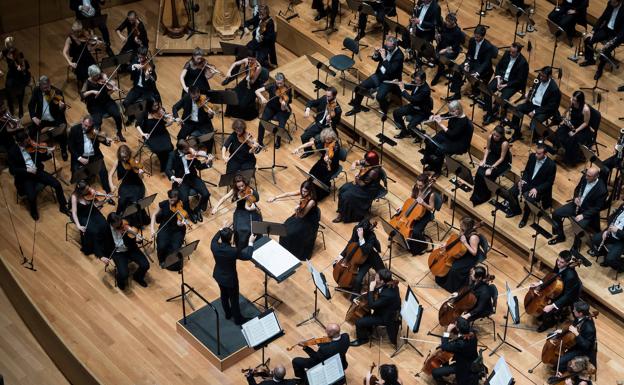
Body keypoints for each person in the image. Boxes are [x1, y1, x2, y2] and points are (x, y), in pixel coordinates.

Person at [7, 131, 69, 221]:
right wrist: (27, 170)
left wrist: (48, 152)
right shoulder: (12, 152)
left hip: (38, 171)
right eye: (26, 141)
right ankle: (33, 212)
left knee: (57, 184)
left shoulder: (32, 145)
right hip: (26, 177)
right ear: (19, 142)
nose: (29, 142)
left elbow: (41, 158)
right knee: (31, 196)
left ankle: (63, 206)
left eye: (29, 139)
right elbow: (12, 170)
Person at [345, 36, 404, 116]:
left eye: (389, 47)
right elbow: (376, 59)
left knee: (379, 97)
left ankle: (385, 109)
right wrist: (376, 54)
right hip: (379, 75)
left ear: (394, 45)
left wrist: (384, 58)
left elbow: (391, 70)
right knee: (360, 87)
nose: (387, 48)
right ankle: (357, 107)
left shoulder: (399, 56)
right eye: (386, 46)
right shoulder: (386, 46)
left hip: (390, 80)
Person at [549, 166, 607, 245]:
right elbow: (577, 189)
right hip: (576, 205)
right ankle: (560, 236)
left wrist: (583, 215)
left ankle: (575, 247)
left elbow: (597, 208)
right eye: (586, 174)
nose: (586, 177)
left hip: (587, 211)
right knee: (556, 213)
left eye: (589, 176)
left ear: (596, 176)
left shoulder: (602, 190)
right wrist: (576, 197)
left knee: (579, 227)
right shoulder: (584, 177)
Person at [211, 225, 255, 325]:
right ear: (231, 239)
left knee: (223, 295)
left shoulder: (214, 246)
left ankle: (228, 314)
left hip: (219, 276)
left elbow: (215, 238)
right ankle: (238, 319)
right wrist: (250, 242)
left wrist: (221, 229)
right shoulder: (233, 251)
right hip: (230, 280)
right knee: (234, 299)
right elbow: (248, 256)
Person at [505, 143, 557, 228]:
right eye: (536, 152)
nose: (536, 155)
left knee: (529, 199)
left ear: (545, 154)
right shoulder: (532, 156)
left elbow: (549, 183)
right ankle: (516, 210)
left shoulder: (551, 165)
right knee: (512, 191)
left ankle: (524, 219)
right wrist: (523, 180)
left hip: (538, 188)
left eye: (539, 154)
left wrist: (537, 189)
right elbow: (527, 171)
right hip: (528, 182)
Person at [269, 180, 321, 261]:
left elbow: (302, 215)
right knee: (284, 228)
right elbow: (288, 193)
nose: (303, 193)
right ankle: (284, 248)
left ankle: (292, 251)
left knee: (291, 233)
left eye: (305, 191)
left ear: (310, 191)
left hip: (309, 220)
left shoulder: (311, 201)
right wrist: (275, 197)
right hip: (300, 215)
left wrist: (296, 209)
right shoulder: (303, 193)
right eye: (302, 190)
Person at [531, 251, 582, 332]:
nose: (558, 263)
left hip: (569, 294)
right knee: (544, 298)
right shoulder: (558, 263)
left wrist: (552, 305)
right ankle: (543, 313)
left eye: (561, 262)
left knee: (550, 309)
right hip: (558, 287)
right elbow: (552, 274)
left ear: (568, 262)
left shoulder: (571, 276)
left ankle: (548, 323)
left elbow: (567, 296)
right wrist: (540, 283)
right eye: (558, 260)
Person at [165, 140, 213, 223]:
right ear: (181, 149)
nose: (189, 150)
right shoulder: (172, 155)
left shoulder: (191, 152)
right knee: (185, 199)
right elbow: (167, 169)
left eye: (188, 147)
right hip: (182, 180)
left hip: (193, 177)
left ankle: (197, 210)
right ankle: (190, 213)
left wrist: (208, 162)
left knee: (206, 194)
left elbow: (198, 166)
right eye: (186, 149)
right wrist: (175, 178)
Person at [350, 269, 401, 346]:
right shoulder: (391, 283)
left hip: (385, 317)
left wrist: (371, 290)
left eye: (377, 278)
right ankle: (369, 328)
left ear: (382, 281)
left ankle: (363, 340)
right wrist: (367, 294)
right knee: (365, 312)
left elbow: (372, 305)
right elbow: (380, 291)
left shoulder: (388, 294)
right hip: (385, 309)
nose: (375, 279)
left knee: (358, 322)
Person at [510, 66, 561, 143]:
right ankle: (516, 133)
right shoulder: (539, 78)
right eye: (540, 75)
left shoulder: (554, 89)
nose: (541, 77)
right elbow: (534, 88)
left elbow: (551, 107)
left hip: (543, 109)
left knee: (534, 123)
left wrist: (535, 112)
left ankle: (535, 137)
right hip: (533, 103)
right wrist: (529, 94)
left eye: (543, 76)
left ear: (549, 76)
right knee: (517, 109)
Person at [421, 101, 474, 174]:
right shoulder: (453, 113)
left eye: (452, 111)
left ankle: (437, 169)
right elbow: (446, 115)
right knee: (430, 142)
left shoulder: (463, 121)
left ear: (458, 110)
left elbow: (453, 134)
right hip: (448, 135)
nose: (450, 113)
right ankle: (428, 161)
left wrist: (440, 124)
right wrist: (437, 116)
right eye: (450, 111)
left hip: (458, 142)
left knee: (440, 149)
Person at [483, 42, 529, 125]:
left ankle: (491, 115)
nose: (510, 53)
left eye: (513, 52)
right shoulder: (507, 53)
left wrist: (505, 85)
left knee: (500, 99)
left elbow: (519, 80)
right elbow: (498, 66)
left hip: (512, 84)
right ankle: (490, 112)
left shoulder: (523, 63)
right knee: (487, 90)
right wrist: (498, 78)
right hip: (501, 79)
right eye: (510, 51)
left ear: (518, 52)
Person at [211, 174, 262, 250]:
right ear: (235, 186)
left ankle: (254, 241)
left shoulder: (249, 189)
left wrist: (251, 206)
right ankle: (241, 245)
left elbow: (255, 200)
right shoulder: (234, 190)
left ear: (245, 183)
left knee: (252, 227)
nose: (241, 188)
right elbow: (224, 198)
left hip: (250, 207)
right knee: (239, 229)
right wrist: (216, 207)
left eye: (243, 186)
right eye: (239, 187)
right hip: (240, 210)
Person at [335, 219, 385, 295]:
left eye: (360, 231)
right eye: (358, 230)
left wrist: (361, 238)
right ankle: (346, 285)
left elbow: (366, 251)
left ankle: (355, 297)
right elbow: (351, 242)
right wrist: (341, 255)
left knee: (358, 280)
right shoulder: (356, 229)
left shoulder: (371, 236)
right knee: (336, 264)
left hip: (368, 258)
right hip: (356, 258)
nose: (358, 231)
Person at [103, 212, 150, 290]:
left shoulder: (125, 224)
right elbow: (101, 243)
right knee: (124, 274)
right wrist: (102, 256)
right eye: (117, 225)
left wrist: (137, 237)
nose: (120, 226)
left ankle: (137, 277)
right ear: (111, 223)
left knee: (145, 265)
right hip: (118, 252)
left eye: (120, 223)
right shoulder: (106, 229)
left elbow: (136, 228)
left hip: (131, 248)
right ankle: (120, 281)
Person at [333, 151, 383, 223]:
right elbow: (357, 162)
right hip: (360, 182)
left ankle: (345, 215)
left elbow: (362, 184)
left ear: (372, 162)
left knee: (346, 196)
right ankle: (341, 211)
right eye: (365, 159)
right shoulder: (367, 162)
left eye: (366, 160)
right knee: (342, 189)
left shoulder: (374, 172)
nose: (364, 161)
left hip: (368, 190)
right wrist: (353, 164)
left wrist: (357, 177)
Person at [579, 0, 624, 80]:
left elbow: (622, 32)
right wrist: (592, 32)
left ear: (619, 2)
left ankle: (599, 70)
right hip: (606, 30)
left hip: (616, 35)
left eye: (614, 2)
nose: (611, 3)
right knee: (588, 39)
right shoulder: (610, 3)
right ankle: (590, 60)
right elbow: (602, 18)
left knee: (604, 52)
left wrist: (612, 41)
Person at [435, 217, 483, 293]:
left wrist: (465, 243)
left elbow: (474, 252)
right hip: (461, 251)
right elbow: (457, 241)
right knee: (447, 262)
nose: (460, 229)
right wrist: (446, 245)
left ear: (468, 227)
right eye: (460, 227)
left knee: (454, 269)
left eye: (462, 228)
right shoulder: (464, 231)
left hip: (470, 257)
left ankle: (452, 287)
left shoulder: (474, 237)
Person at [448, 25, 496, 101]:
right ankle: (457, 94)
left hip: (481, 65)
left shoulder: (488, 46)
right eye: (475, 36)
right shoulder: (472, 40)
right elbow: (469, 54)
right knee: (458, 70)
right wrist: (467, 63)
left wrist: (478, 72)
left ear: (483, 36)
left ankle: (475, 92)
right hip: (472, 61)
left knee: (472, 76)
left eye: (478, 37)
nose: (476, 38)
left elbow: (486, 62)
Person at [28, 75, 69, 160]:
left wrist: (61, 107)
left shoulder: (57, 92)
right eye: (43, 88)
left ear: (50, 84)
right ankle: (34, 151)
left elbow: (62, 109)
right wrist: (33, 117)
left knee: (63, 131)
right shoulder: (37, 90)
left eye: (47, 87)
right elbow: (31, 105)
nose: (46, 90)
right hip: (41, 119)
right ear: (40, 86)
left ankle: (64, 150)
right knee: (31, 131)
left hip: (55, 118)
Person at [68, 115, 113, 193]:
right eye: (85, 125)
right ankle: (83, 193)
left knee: (103, 171)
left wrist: (107, 141)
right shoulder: (74, 130)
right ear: (82, 122)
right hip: (80, 156)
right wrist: (79, 158)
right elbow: (70, 147)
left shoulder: (94, 130)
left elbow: (101, 139)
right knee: (78, 176)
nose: (87, 128)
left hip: (94, 155)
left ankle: (108, 192)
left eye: (89, 126)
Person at [292, 128, 341, 201]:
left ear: (333, 137)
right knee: (312, 173)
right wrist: (299, 148)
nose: (327, 141)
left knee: (321, 179)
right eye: (326, 139)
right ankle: (310, 189)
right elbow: (310, 143)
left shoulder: (336, 146)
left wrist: (328, 159)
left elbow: (331, 157)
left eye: (329, 139)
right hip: (322, 161)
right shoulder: (324, 140)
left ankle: (321, 192)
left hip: (331, 165)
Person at [393, 173, 435, 255]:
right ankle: (402, 239)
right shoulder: (415, 187)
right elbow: (411, 200)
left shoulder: (431, 194)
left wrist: (423, 203)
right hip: (413, 210)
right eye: (418, 184)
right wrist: (402, 208)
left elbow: (431, 208)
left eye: (421, 185)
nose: (419, 187)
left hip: (424, 213)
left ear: (426, 184)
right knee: (396, 217)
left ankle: (423, 246)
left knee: (416, 231)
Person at [107, 145, 149, 228]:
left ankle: (138, 222)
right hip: (125, 185)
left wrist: (140, 174)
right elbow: (110, 174)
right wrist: (111, 185)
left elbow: (141, 178)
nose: (125, 159)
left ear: (129, 154)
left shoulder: (135, 161)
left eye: (126, 157)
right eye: (122, 157)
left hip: (137, 185)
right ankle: (119, 219)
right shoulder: (118, 161)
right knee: (122, 201)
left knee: (135, 202)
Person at [81, 64, 125, 141]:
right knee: (97, 121)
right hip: (94, 105)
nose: (99, 77)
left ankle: (119, 132)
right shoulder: (87, 83)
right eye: (96, 76)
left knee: (117, 114)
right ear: (91, 76)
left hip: (106, 101)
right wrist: (92, 91)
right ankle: (96, 136)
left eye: (99, 75)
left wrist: (112, 89)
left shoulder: (102, 77)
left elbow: (107, 93)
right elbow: (82, 95)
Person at [470, 125, 512, 206]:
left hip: (501, 162)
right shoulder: (490, 137)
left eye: (497, 136)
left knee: (487, 175)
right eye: (494, 134)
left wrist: (491, 168)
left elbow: (502, 158)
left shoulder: (505, 143)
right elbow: (488, 149)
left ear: (502, 135)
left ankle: (485, 195)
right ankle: (476, 195)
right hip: (492, 156)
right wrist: (484, 160)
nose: (495, 137)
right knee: (479, 172)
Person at [431, 317, 479, 385]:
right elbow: (461, 337)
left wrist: (448, 331)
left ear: (458, 329)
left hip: (463, 366)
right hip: (471, 360)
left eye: (456, 325)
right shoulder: (472, 333)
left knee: (434, 372)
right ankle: (446, 372)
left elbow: (445, 346)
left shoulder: (461, 345)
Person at [71, 180, 110, 259]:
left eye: (88, 188)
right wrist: (78, 226)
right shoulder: (74, 197)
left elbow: (97, 195)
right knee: (94, 231)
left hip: (92, 211)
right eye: (86, 190)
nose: (89, 190)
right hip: (82, 216)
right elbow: (74, 213)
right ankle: (98, 251)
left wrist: (106, 196)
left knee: (104, 224)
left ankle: (106, 246)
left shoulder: (90, 190)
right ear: (80, 191)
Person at [551, 91, 592, 166]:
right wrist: (565, 118)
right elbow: (567, 109)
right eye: (573, 99)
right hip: (572, 123)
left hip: (581, 129)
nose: (572, 101)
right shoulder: (572, 101)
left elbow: (586, 123)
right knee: (559, 132)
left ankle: (568, 158)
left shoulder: (585, 109)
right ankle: (559, 149)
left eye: (575, 100)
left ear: (580, 101)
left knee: (571, 139)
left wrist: (576, 131)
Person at [150, 189, 188, 268]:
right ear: (168, 197)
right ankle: (161, 260)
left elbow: (180, 221)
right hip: (165, 227)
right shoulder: (163, 204)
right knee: (161, 246)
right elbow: (154, 215)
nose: (172, 203)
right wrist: (152, 229)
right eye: (170, 200)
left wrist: (180, 223)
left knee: (175, 249)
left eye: (174, 201)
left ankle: (170, 259)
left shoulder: (181, 204)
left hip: (177, 230)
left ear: (177, 198)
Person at [224, 55, 269, 121]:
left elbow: (252, 82)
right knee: (232, 95)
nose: (250, 61)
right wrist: (229, 71)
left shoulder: (258, 67)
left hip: (253, 85)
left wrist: (249, 78)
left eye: (252, 60)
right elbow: (235, 63)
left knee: (243, 104)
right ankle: (230, 113)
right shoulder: (246, 60)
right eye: (249, 59)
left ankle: (243, 116)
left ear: (255, 58)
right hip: (245, 82)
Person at [123, 47, 160, 125]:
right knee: (126, 102)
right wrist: (134, 66)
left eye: (142, 57)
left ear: (145, 56)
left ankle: (141, 121)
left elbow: (155, 78)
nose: (140, 59)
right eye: (139, 57)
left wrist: (147, 77)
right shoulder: (136, 60)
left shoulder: (150, 64)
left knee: (141, 104)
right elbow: (128, 68)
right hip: (136, 88)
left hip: (146, 90)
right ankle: (131, 117)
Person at [172, 85, 216, 152]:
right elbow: (174, 107)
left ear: (199, 93)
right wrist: (177, 118)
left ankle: (208, 153)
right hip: (189, 122)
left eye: (196, 97)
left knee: (210, 136)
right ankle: (181, 152)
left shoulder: (204, 99)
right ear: (189, 94)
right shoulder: (186, 97)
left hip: (202, 123)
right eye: (192, 97)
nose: (194, 99)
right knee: (180, 137)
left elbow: (209, 117)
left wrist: (210, 115)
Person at [135, 99, 174, 173]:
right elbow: (137, 125)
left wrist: (170, 122)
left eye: (157, 105)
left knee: (169, 147)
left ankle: (169, 165)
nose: (157, 107)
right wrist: (143, 134)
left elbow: (164, 125)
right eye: (154, 106)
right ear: (150, 106)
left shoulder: (161, 111)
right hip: (150, 136)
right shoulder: (144, 113)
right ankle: (164, 165)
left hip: (162, 133)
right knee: (159, 150)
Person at [255, 72, 292, 148]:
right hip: (270, 108)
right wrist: (262, 98)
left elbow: (288, 101)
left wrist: (283, 105)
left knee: (281, 126)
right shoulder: (272, 85)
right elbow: (257, 91)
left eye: (281, 83)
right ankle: (260, 142)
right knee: (262, 122)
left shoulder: (288, 89)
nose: (279, 85)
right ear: (275, 81)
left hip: (282, 110)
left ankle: (278, 141)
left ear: (284, 81)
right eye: (277, 83)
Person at [556, 301, 597, 369]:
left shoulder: (589, 328)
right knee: (551, 335)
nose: (573, 310)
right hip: (573, 341)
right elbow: (575, 324)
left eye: (574, 310)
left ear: (580, 313)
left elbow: (586, 346)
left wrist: (577, 334)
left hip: (579, 348)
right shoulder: (582, 316)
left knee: (559, 362)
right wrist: (563, 331)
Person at [393, 70, 433, 140]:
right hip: (414, 107)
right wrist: (399, 83)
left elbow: (412, 99)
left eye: (417, 80)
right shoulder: (417, 83)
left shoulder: (425, 90)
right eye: (415, 79)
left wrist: (402, 90)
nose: (415, 81)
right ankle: (404, 131)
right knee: (396, 113)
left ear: (423, 80)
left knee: (410, 126)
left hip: (422, 111)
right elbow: (410, 86)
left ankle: (420, 135)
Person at [300, 87, 341, 153]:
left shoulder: (337, 109)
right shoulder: (324, 98)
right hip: (318, 124)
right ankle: (308, 152)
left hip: (327, 129)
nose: (327, 98)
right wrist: (308, 109)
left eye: (329, 96)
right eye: (326, 95)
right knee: (304, 137)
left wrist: (331, 119)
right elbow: (312, 102)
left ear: (334, 96)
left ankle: (325, 157)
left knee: (319, 145)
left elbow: (337, 123)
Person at [430, 13, 464, 87]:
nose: (447, 23)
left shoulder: (457, 32)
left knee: (442, 58)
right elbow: (442, 33)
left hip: (451, 50)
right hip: (442, 46)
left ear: (453, 22)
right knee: (434, 53)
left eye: (449, 22)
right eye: (446, 21)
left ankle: (438, 75)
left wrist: (445, 50)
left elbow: (456, 46)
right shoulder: (445, 25)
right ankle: (438, 62)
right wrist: (438, 36)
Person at [62, 21, 98, 89]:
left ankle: (94, 86)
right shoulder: (69, 39)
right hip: (77, 59)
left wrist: (96, 45)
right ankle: (84, 90)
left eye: (80, 31)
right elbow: (64, 52)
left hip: (87, 57)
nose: (78, 33)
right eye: (76, 31)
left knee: (95, 71)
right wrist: (70, 62)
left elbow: (89, 49)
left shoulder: (84, 36)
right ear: (73, 30)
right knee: (83, 74)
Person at [1, 37, 31, 118]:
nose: (10, 48)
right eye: (8, 46)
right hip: (11, 73)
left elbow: (24, 66)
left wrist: (21, 68)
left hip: (19, 74)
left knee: (21, 90)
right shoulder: (4, 52)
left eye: (11, 46)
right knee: (8, 89)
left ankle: (20, 106)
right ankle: (11, 107)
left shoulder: (19, 53)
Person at [589, 202, 624, 271]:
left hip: (621, 240)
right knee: (595, 239)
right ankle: (604, 253)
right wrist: (606, 230)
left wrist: (617, 231)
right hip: (611, 232)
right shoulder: (623, 205)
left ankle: (621, 267)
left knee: (610, 259)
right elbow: (612, 217)